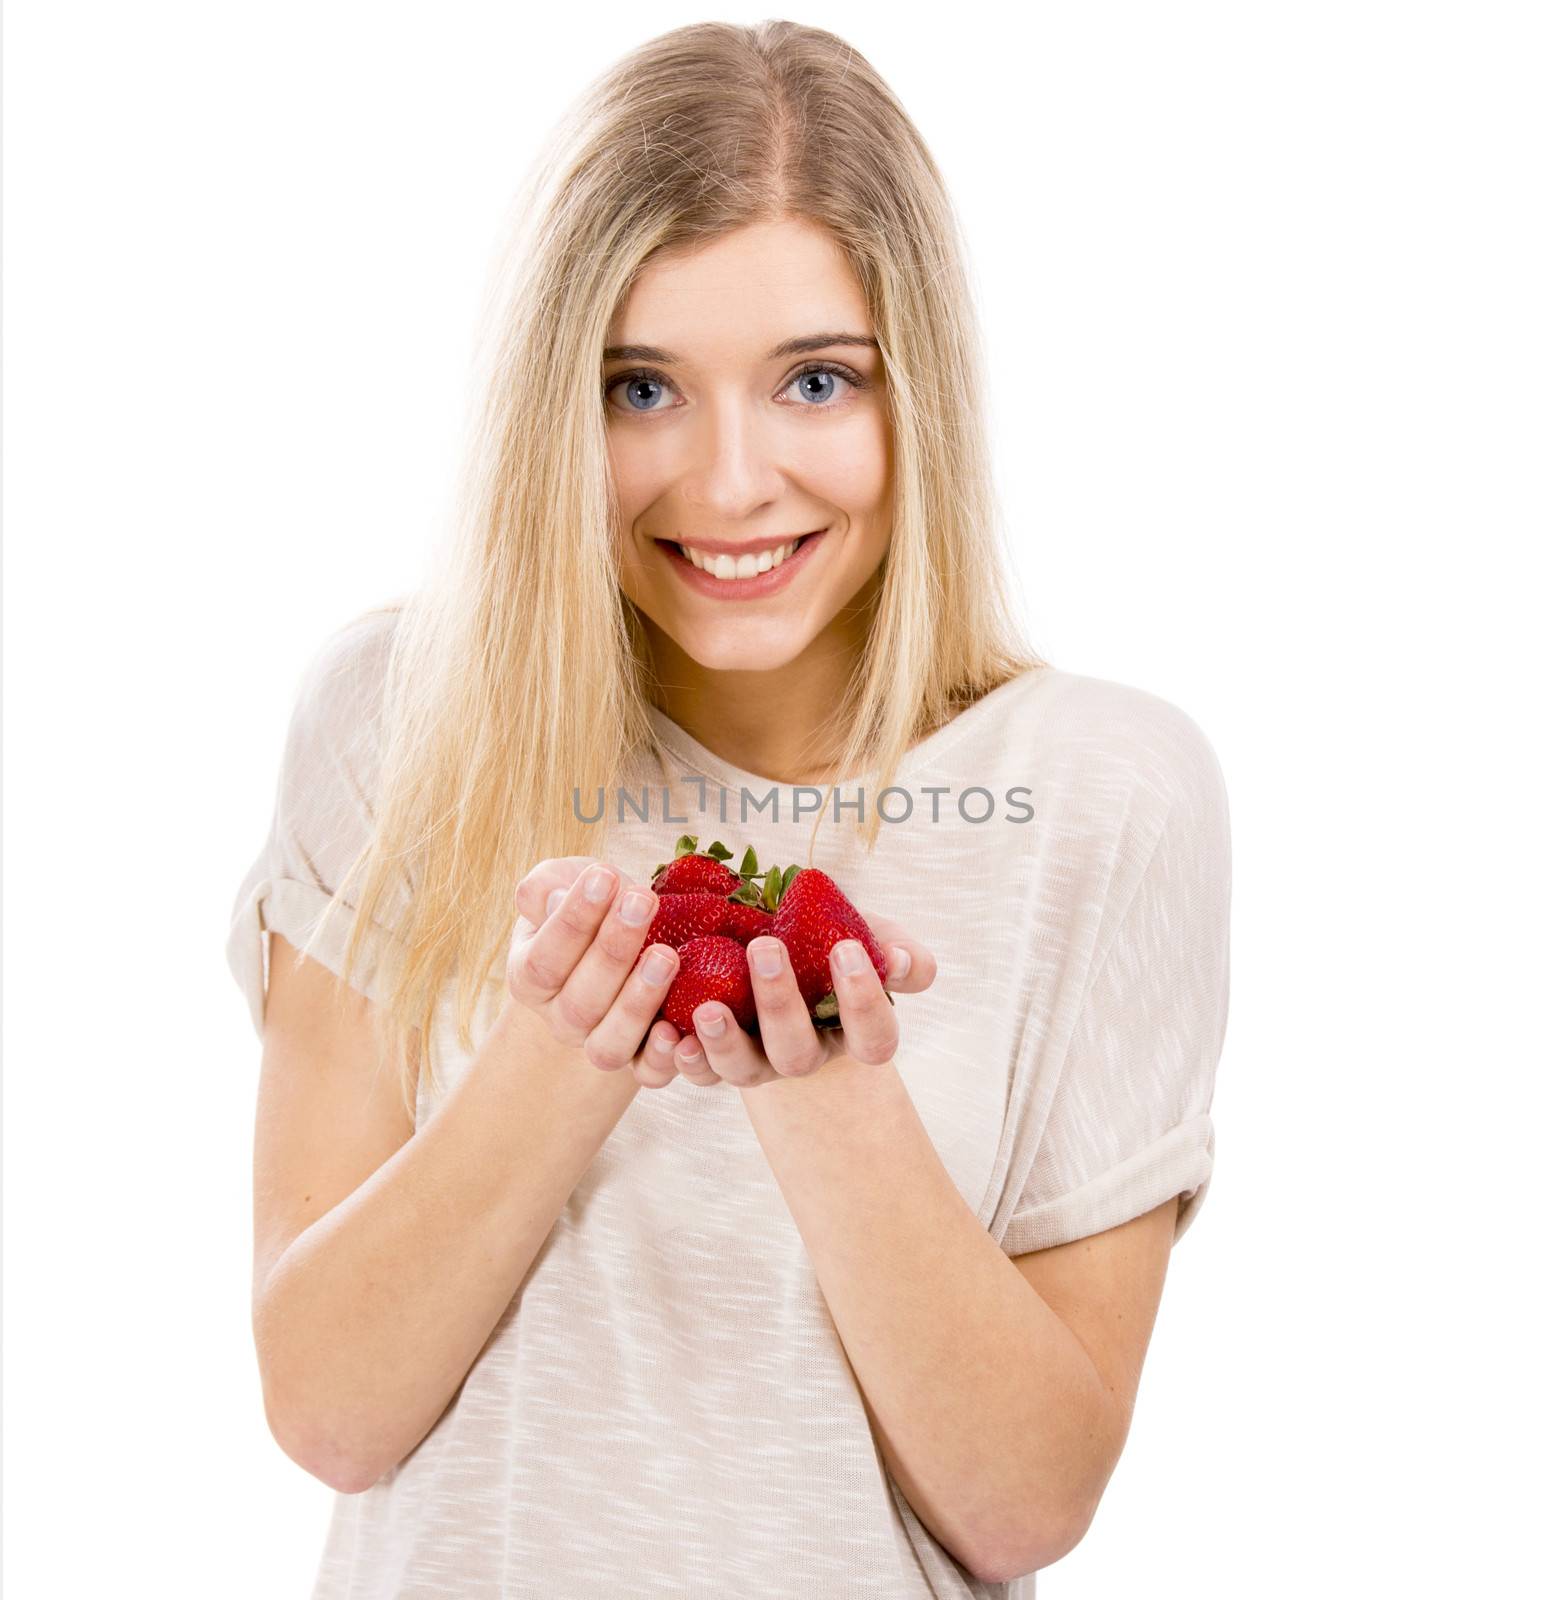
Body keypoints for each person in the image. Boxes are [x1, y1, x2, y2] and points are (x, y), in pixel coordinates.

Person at [225, 20, 1231, 1599]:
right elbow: (329, 1409)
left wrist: (826, 1095)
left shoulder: (1107, 793)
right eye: (641, 389)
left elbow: (1025, 1506)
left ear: (925, 406)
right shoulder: (398, 716)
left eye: (816, 381)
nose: (732, 482)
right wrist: (558, 1059)